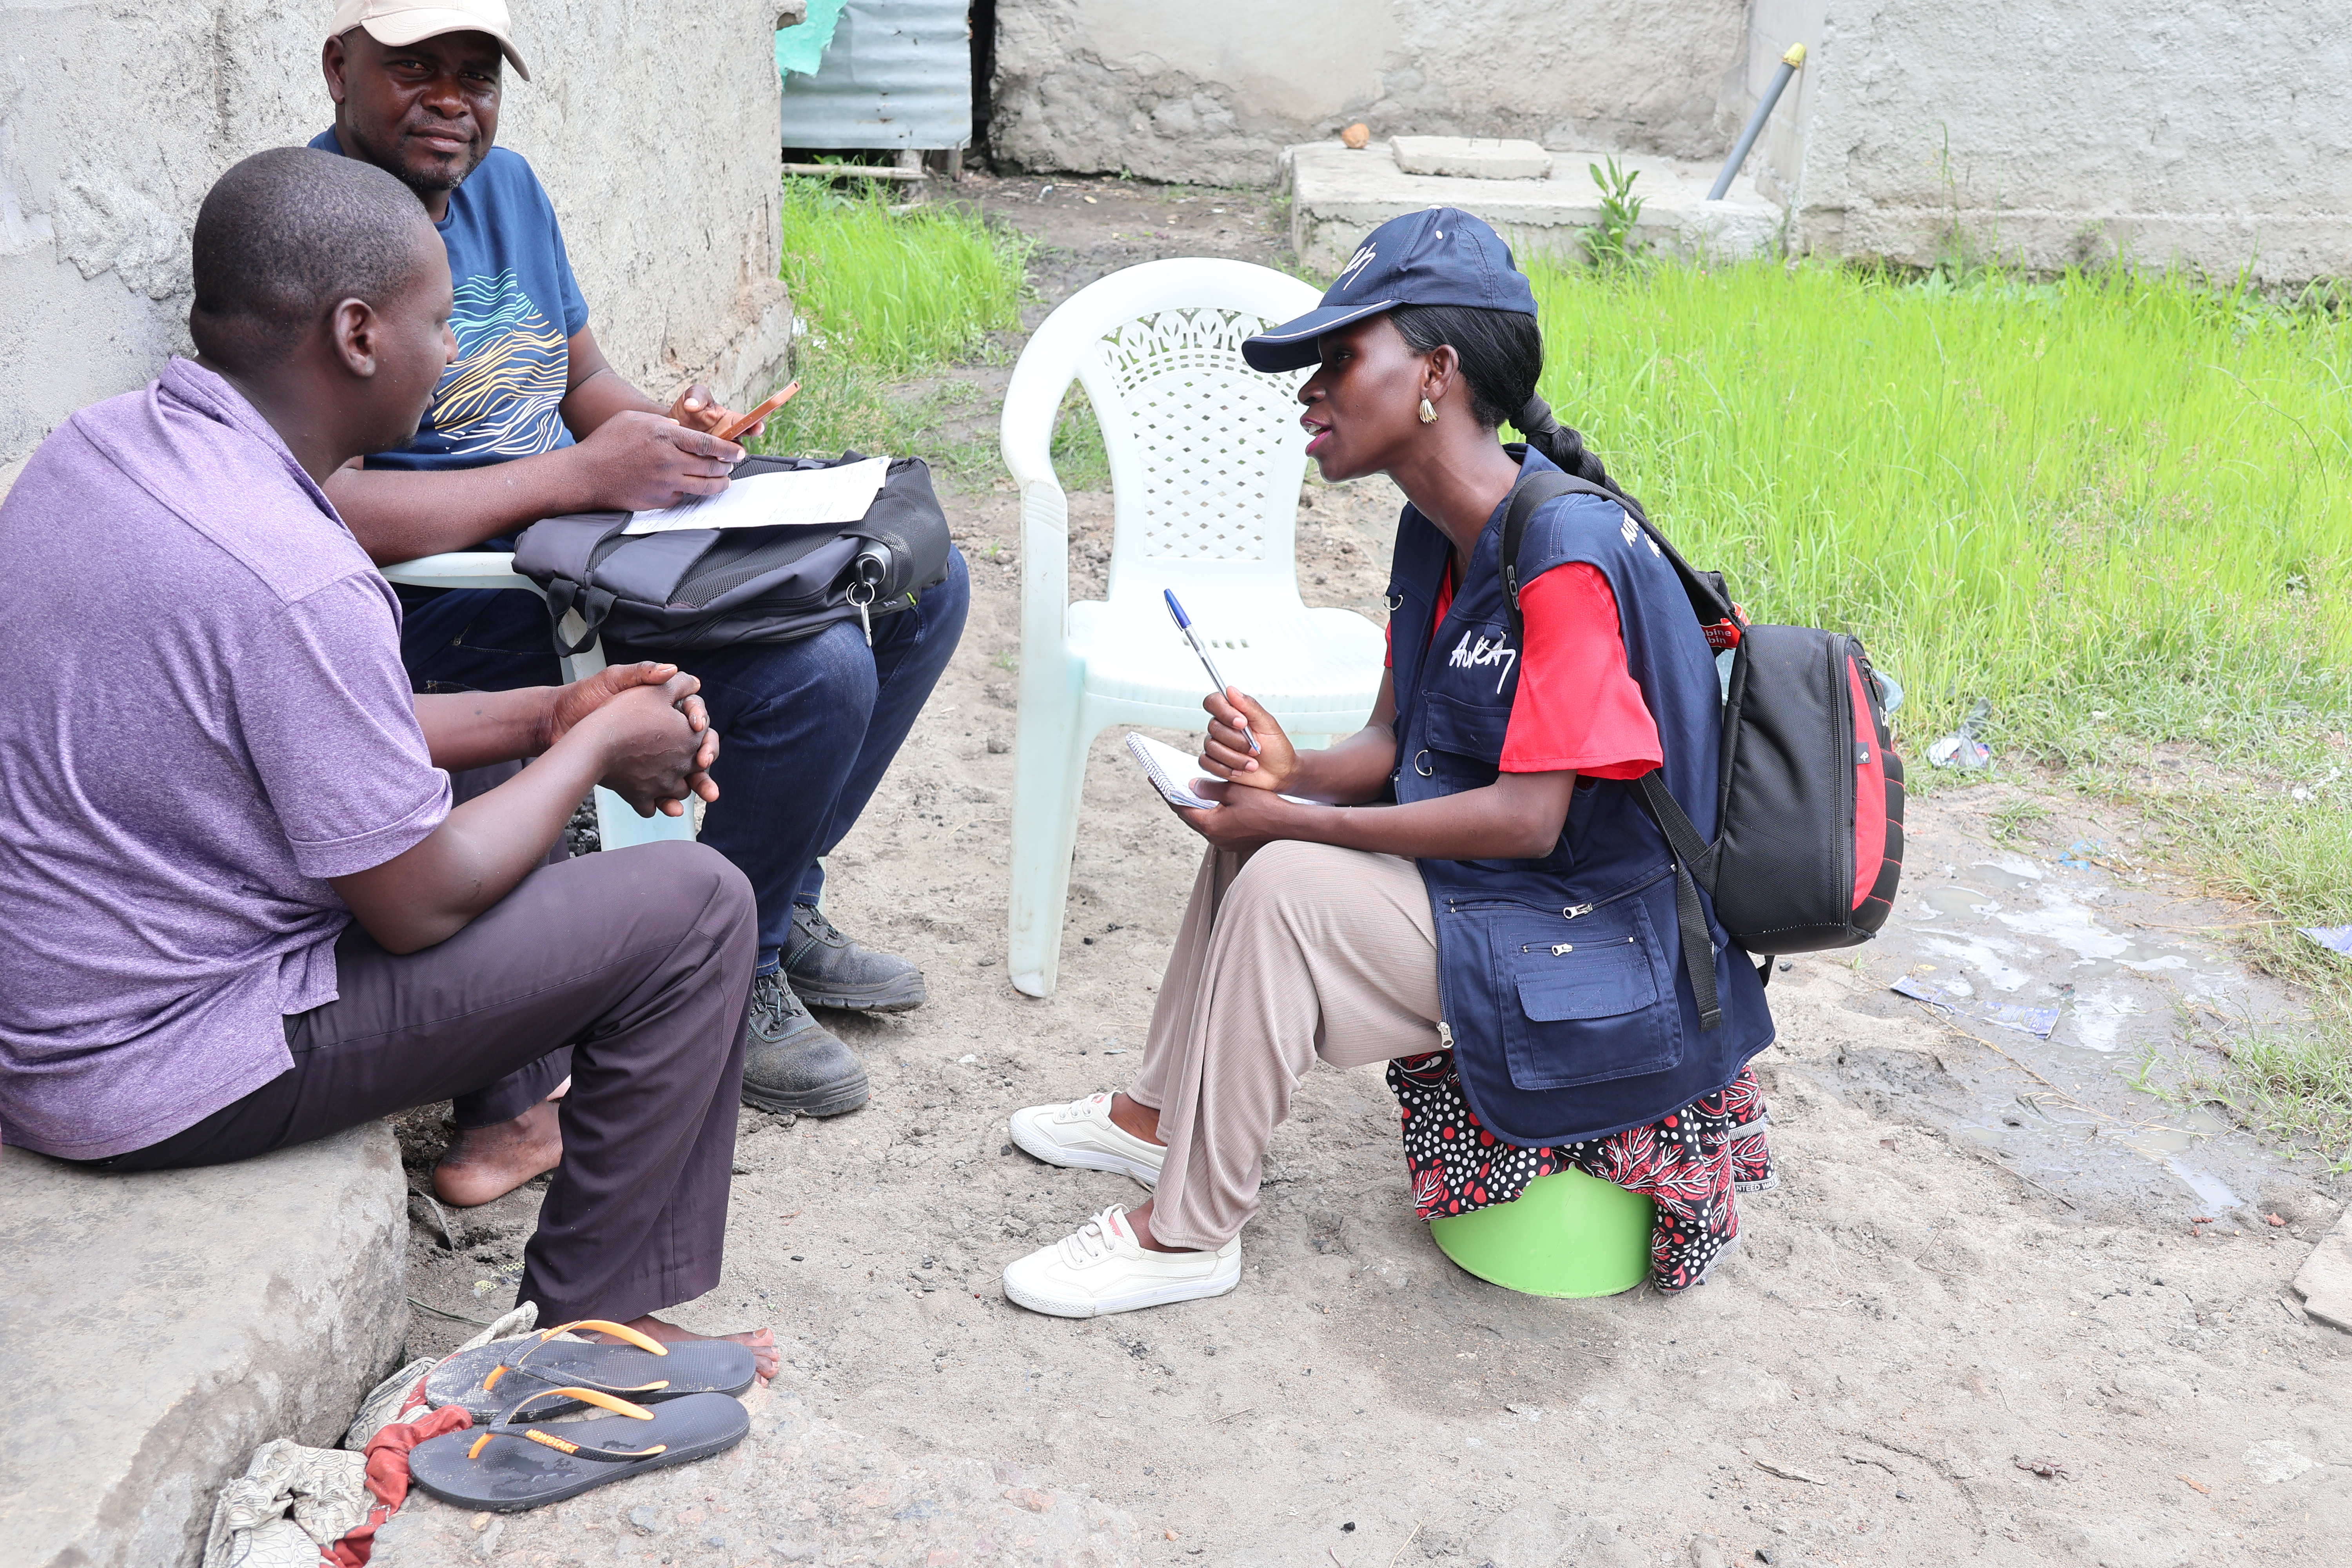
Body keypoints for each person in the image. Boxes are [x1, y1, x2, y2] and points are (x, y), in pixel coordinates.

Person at [0, 147, 775, 1374]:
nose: (455, 349)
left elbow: (319, 724)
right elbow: (416, 907)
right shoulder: (295, 577)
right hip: (157, 1062)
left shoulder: (99, 452)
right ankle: (595, 1330)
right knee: (695, 907)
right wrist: (596, 759)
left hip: (61, 1009)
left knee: (475, 772)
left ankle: (529, 1142)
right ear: (358, 334)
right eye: (442, 319)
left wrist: (551, 719)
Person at [996, 209, 1777, 1318]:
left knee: (1283, 879)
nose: (1310, 390)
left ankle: (1187, 1236)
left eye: (1340, 358)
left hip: (1607, 944)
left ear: (1436, 376)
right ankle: (1158, 1119)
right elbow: (1391, 745)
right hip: (1522, 903)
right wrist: (1288, 772)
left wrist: (1296, 826)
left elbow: (1528, 822)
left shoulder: (1567, 555)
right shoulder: (1438, 531)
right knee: (1252, 831)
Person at [307, 0, 972, 1191]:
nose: (452, 98)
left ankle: (782, 898)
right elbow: (324, 503)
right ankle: (746, 959)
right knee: (818, 667)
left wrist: (668, 437)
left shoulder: (507, 187)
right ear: (340, 68)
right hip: (461, 594)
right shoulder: (319, 229)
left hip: (584, 536)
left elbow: (586, 382)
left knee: (917, 583)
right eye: (417, 70)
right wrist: (578, 475)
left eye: (477, 74)